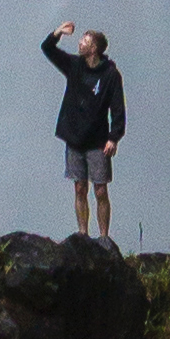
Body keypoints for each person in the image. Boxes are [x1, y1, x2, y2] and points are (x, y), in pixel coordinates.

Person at [40, 14, 124, 241]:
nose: (79, 43)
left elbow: (118, 109)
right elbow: (47, 49)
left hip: (97, 141)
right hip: (74, 138)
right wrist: (58, 32)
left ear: (94, 48)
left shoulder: (110, 75)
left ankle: (104, 237)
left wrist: (113, 138)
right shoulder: (75, 66)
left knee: (100, 190)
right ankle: (83, 234)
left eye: (84, 41)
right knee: (79, 187)